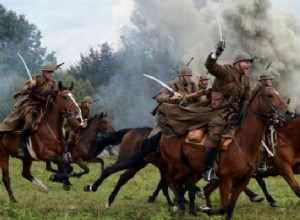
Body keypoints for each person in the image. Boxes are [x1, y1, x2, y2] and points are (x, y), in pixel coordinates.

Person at [0, 64, 57, 156]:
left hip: (43, 106)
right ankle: (21, 146)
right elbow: (23, 90)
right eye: (48, 72)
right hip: (31, 105)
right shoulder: (36, 79)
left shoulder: (53, 83)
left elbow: (54, 95)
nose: (51, 74)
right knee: (29, 122)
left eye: (52, 72)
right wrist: (30, 86)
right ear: (43, 72)